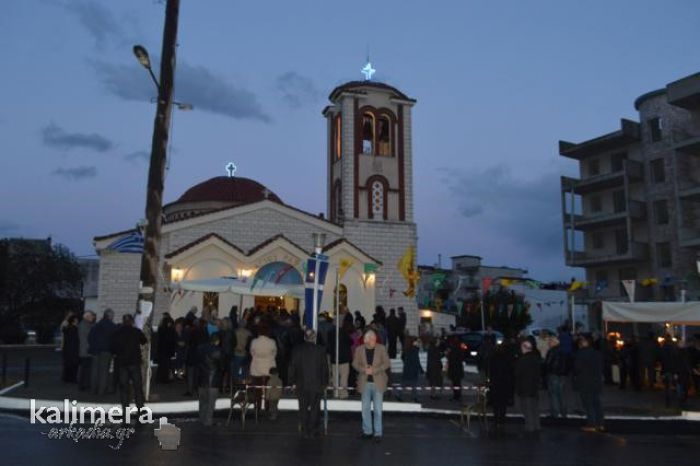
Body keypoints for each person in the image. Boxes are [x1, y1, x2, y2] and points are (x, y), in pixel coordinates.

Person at [289, 329, 329, 437]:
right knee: (315, 408)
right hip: (317, 384)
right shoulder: (320, 350)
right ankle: (313, 430)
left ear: (304, 337)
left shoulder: (297, 350)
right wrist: (325, 382)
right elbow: (325, 368)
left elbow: (292, 367)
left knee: (303, 408)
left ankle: (305, 429)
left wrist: (292, 381)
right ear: (314, 337)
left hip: (301, 384)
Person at [352, 329, 390, 442]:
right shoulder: (359, 349)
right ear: (366, 340)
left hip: (378, 382)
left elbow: (387, 363)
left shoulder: (381, 348)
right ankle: (367, 431)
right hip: (365, 383)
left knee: (378, 410)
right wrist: (364, 370)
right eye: (372, 339)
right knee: (365, 409)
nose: (375, 340)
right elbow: (354, 364)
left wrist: (374, 370)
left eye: (375, 339)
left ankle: (378, 433)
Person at [110, 314, 147, 419]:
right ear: (131, 321)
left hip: (122, 364)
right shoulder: (136, 331)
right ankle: (140, 409)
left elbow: (112, 348)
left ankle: (125, 410)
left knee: (124, 388)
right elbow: (144, 341)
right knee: (137, 387)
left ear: (123, 321)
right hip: (134, 363)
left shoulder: (117, 333)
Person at [573, 335, 604, 432]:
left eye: (581, 341)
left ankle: (591, 424)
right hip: (596, 381)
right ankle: (600, 424)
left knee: (588, 404)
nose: (579, 343)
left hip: (585, 382)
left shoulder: (581, 354)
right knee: (596, 403)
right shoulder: (597, 353)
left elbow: (577, 368)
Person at [514, 339, 541, 433]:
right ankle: (537, 425)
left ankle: (530, 427)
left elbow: (517, 374)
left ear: (525, 348)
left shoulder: (522, 360)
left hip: (525, 387)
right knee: (535, 408)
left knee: (527, 408)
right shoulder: (536, 358)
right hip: (534, 386)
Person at [196, 333, 223, 426]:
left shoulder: (200, 349)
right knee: (211, 403)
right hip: (213, 379)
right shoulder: (218, 351)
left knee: (203, 401)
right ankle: (208, 421)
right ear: (217, 341)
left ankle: (201, 418)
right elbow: (222, 365)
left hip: (202, 379)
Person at [488, 340, 515, 432]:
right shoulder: (507, 358)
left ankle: (496, 419)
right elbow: (510, 371)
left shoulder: (494, 358)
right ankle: (502, 419)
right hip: (504, 383)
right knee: (503, 403)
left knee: (496, 403)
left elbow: (491, 371)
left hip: (496, 383)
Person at [88, 309, 116, 395]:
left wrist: (93, 346)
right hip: (106, 351)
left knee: (95, 370)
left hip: (96, 350)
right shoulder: (112, 326)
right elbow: (114, 340)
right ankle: (101, 390)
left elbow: (89, 337)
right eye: (112, 316)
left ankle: (93, 389)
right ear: (109, 316)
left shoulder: (96, 325)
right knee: (104, 371)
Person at [250, 325, 277, 414]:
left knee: (256, 390)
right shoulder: (272, 342)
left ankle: (257, 407)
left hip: (256, 367)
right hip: (269, 367)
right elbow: (274, 353)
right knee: (268, 389)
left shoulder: (254, 342)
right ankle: (267, 407)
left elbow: (252, 352)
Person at [328, 314, 353, 399]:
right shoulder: (344, 332)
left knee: (335, 377)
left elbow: (329, 346)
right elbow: (351, 342)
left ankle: (335, 393)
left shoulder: (330, 333)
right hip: (344, 359)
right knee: (344, 377)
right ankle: (343, 393)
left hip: (334, 358)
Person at [544, 336, 568, 418]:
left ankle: (555, 412)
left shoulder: (552, 351)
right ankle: (564, 412)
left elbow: (548, 363)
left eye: (550, 342)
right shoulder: (563, 351)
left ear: (554, 342)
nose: (548, 343)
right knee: (562, 394)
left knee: (553, 394)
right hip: (562, 375)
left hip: (553, 374)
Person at [397, 335, 422, 402]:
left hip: (407, 368)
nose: (418, 343)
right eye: (417, 341)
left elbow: (403, 357)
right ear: (413, 342)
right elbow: (416, 360)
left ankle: (399, 394)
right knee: (414, 383)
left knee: (405, 383)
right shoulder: (414, 349)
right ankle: (415, 397)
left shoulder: (407, 348)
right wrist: (420, 369)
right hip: (413, 369)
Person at [77, 310, 95, 390]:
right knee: (85, 369)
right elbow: (89, 336)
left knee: (85, 369)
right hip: (86, 351)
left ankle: (84, 384)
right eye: (91, 316)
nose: (93, 318)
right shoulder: (84, 325)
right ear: (87, 317)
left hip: (85, 350)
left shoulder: (84, 324)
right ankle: (84, 385)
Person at [156, 315, 177, 384]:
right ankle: (164, 378)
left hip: (163, 350)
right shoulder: (168, 330)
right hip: (166, 350)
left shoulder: (161, 329)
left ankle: (161, 378)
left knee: (162, 365)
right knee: (166, 365)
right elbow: (170, 340)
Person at [62, 315, 80, 383]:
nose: (77, 321)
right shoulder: (75, 329)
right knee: (74, 365)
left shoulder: (67, 329)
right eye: (76, 320)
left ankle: (67, 378)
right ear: (74, 321)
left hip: (67, 349)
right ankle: (72, 379)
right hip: (74, 349)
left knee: (68, 365)